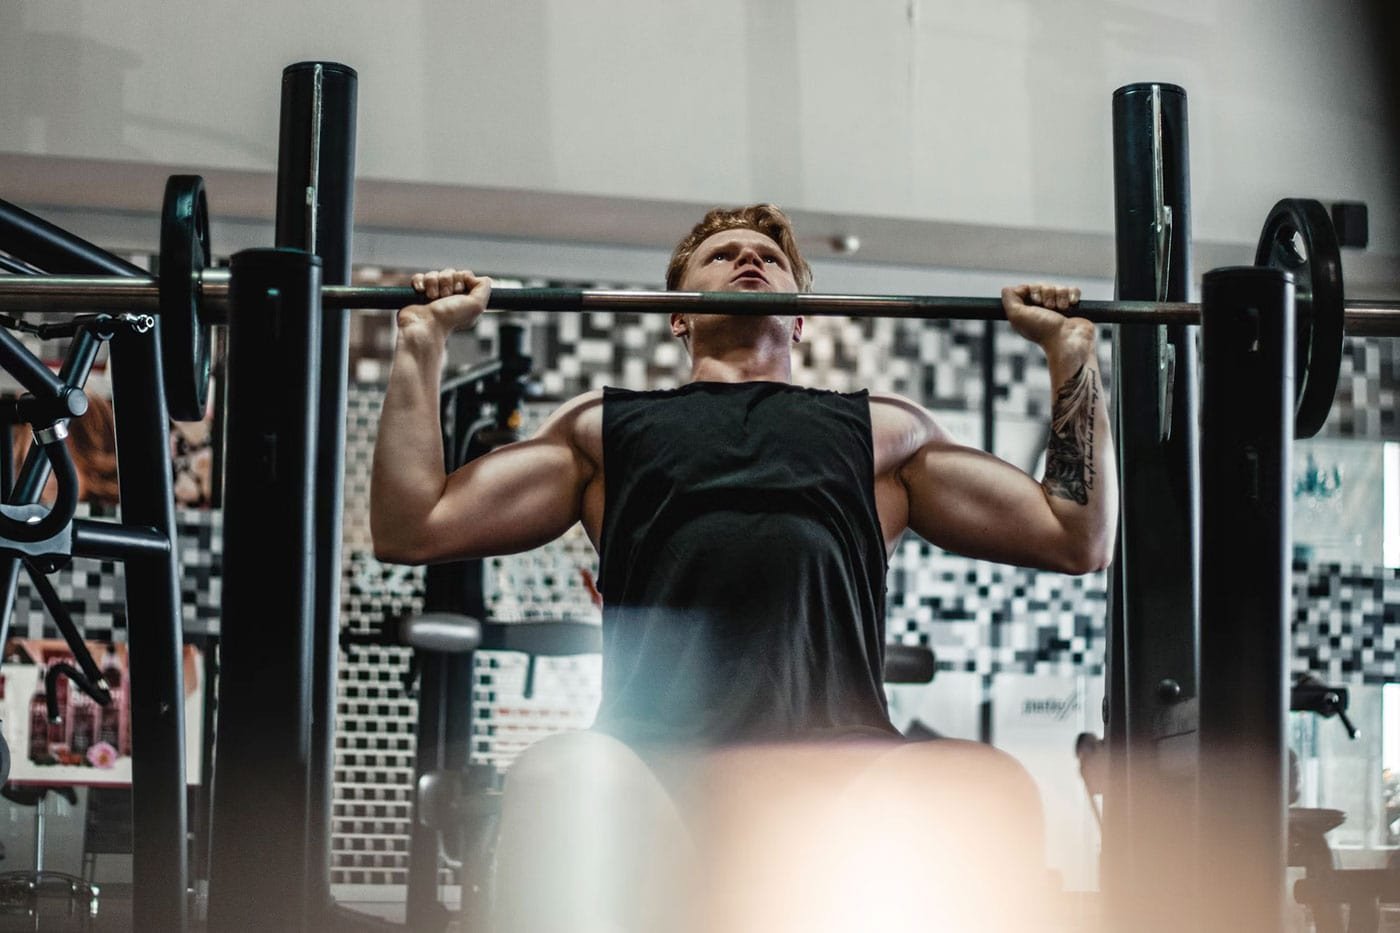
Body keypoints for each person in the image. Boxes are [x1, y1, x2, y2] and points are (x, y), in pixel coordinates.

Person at [371, 204, 1117, 932]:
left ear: (801, 317)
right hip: (650, 754)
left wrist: (1070, 351)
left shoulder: (880, 432)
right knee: (556, 776)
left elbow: (1074, 536)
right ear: (679, 315)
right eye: (721, 255)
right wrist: (421, 343)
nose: (748, 259)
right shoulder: (604, 428)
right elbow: (412, 526)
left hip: (840, 752)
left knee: (986, 787)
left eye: (768, 257)